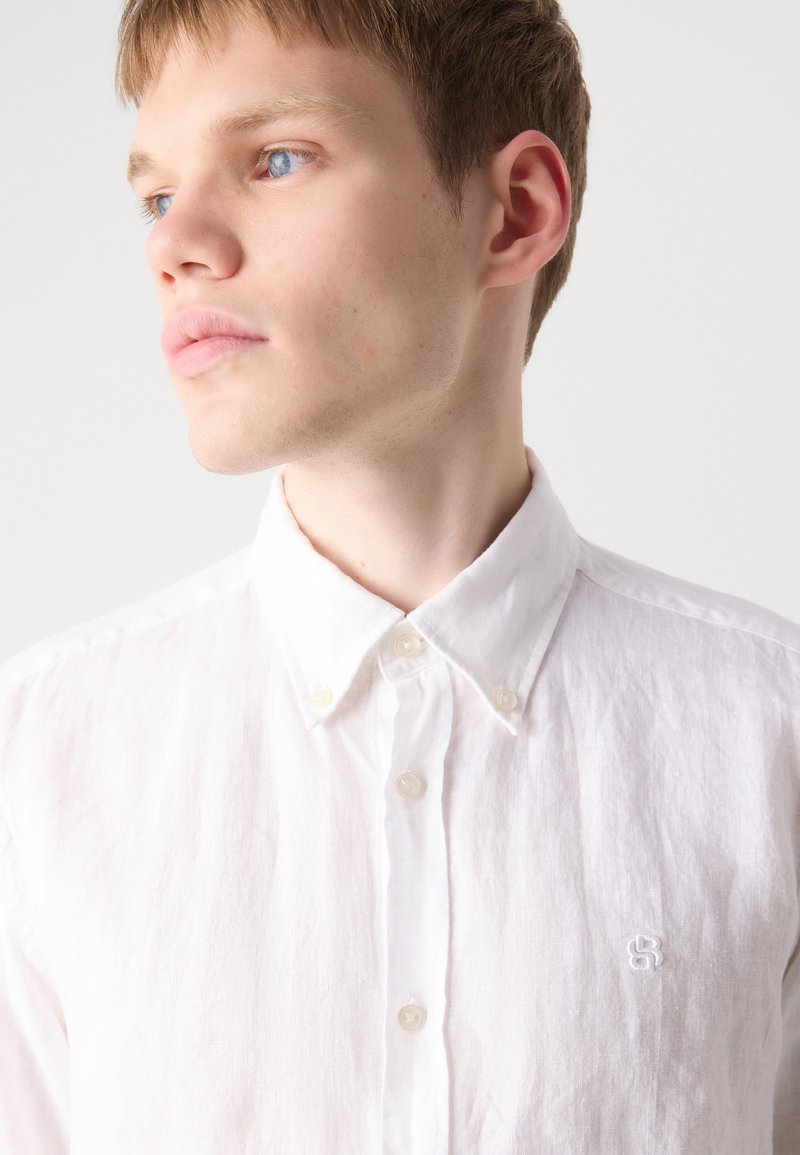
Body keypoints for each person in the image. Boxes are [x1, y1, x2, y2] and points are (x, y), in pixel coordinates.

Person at [1, 0, 797, 1150]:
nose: (174, 245)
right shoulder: (40, 760)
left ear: (513, 213)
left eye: (276, 158)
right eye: (156, 196)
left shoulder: (767, 738)